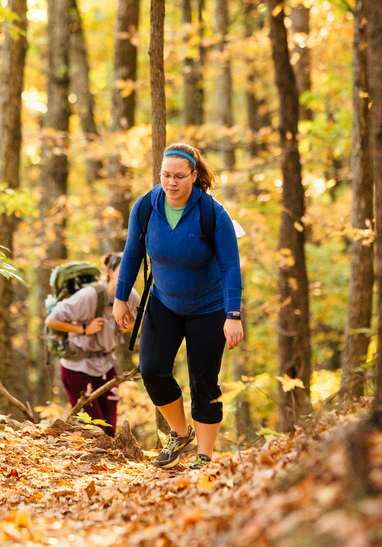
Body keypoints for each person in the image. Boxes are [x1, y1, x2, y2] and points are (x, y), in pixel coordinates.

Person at [113, 142, 243, 470]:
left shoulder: (212, 214)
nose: (171, 183)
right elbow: (131, 254)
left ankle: (204, 456)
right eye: (165, 176)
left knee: (204, 381)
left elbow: (231, 267)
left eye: (179, 177)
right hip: (163, 303)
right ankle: (179, 433)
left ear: (194, 176)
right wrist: (120, 298)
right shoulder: (145, 207)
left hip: (209, 307)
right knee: (152, 369)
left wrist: (233, 315)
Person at [45, 253, 140, 437]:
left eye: (133, 270)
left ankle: (107, 464)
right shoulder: (89, 296)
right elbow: (51, 320)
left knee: (110, 429)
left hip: (106, 365)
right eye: (123, 270)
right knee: (93, 430)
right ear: (111, 273)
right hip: (77, 368)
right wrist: (83, 329)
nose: (129, 274)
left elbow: (135, 323)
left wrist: (124, 327)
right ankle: (90, 464)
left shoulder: (133, 296)